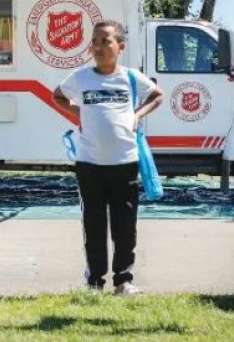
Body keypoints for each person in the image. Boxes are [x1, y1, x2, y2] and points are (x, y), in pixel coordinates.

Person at [52, 20, 164, 295]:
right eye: (95, 42)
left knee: (124, 225)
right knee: (94, 224)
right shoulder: (81, 77)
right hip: (89, 163)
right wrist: (78, 113)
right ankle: (94, 282)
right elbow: (58, 95)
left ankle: (123, 280)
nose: (99, 47)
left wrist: (137, 115)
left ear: (121, 46)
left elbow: (158, 95)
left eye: (106, 41)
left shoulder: (130, 78)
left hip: (124, 162)